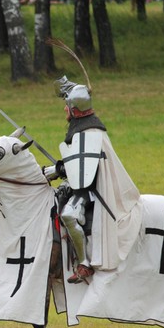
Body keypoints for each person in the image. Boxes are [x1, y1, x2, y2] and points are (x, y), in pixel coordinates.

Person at [44, 76, 143, 284]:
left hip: (92, 187)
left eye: (67, 107)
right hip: (82, 182)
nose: (64, 110)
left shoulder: (89, 132)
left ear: (75, 110)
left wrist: (57, 169)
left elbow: (83, 169)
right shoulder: (82, 127)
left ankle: (84, 264)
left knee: (69, 215)